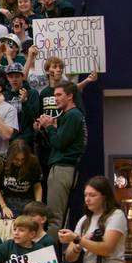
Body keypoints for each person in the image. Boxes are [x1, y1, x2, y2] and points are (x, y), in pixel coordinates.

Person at [36, 81, 86, 224]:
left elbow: (59, 143)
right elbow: (57, 143)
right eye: (54, 95)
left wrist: (50, 126)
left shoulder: (73, 115)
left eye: (59, 95)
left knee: (55, 217)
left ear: (70, 96)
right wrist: (45, 128)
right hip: (62, 167)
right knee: (58, 216)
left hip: (63, 168)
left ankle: (53, 247)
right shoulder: (69, 115)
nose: (55, 99)